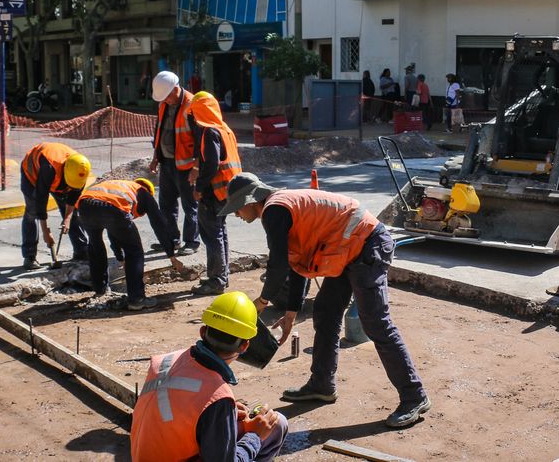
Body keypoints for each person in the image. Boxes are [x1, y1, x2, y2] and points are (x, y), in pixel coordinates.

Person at [219, 173, 431, 429]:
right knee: (325, 311)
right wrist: (291, 312)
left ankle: (414, 396)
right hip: (348, 248)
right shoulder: (279, 209)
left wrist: (262, 301)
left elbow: (278, 266)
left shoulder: (275, 210)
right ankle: (322, 384)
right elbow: (295, 265)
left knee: (376, 322)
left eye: (237, 209)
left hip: (366, 244)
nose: (236, 215)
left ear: (251, 200)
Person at [130, 291, 287, 462]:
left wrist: (225, 411)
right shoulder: (217, 397)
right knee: (276, 426)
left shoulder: (163, 361)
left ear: (203, 331)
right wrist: (255, 437)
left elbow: (178, 404)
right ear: (244, 346)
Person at [76, 178, 181, 309]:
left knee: (95, 246)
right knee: (135, 251)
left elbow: (113, 230)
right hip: (111, 208)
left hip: (85, 205)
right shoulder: (143, 192)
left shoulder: (119, 186)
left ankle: (100, 290)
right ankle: (137, 299)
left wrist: (120, 258)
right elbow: (159, 224)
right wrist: (171, 255)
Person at [188, 91, 242, 296]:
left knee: (212, 235)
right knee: (220, 233)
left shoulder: (209, 131)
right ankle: (221, 275)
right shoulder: (224, 129)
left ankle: (217, 280)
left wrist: (199, 188)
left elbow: (211, 164)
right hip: (229, 190)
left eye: (193, 113)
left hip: (215, 191)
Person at [149, 71, 200, 256]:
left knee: (190, 205)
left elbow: (201, 138)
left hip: (186, 165)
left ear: (176, 89)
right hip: (167, 162)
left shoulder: (192, 105)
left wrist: (196, 166)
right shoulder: (163, 104)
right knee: (167, 205)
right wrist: (156, 156)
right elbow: (159, 131)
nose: (166, 101)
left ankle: (192, 242)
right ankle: (171, 239)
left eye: (168, 97)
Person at [20, 142, 91, 270]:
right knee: (32, 212)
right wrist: (45, 231)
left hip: (57, 179)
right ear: (65, 172)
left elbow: (73, 197)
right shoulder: (49, 167)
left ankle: (82, 251)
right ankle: (29, 256)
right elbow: (41, 198)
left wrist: (67, 219)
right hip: (32, 174)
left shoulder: (81, 170)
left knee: (72, 213)